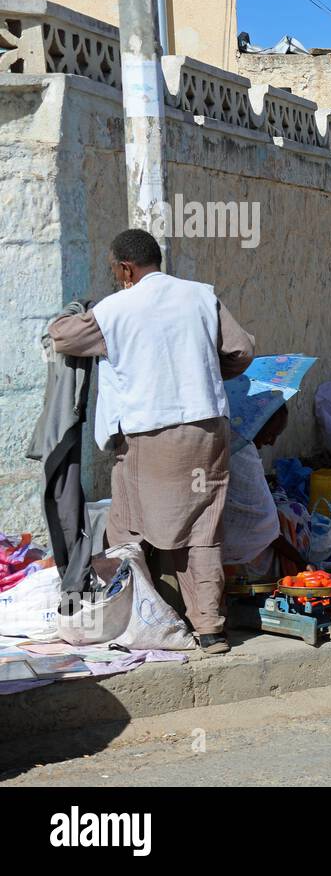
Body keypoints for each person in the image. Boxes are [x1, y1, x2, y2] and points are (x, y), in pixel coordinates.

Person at [48, 229, 255, 654]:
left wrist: (70, 314)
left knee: (130, 526)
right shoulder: (201, 296)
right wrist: (201, 369)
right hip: (208, 429)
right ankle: (211, 629)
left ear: (125, 268)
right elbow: (241, 351)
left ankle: (140, 619)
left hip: (150, 433)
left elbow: (64, 336)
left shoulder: (117, 309)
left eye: (115, 270)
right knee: (202, 529)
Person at [221, 404, 305, 582]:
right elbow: (262, 521)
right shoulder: (241, 451)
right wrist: (300, 561)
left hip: (217, 541)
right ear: (257, 423)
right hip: (231, 553)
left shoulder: (235, 440)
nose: (272, 442)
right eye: (271, 433)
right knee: (287, 516)